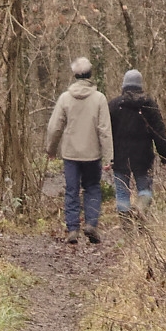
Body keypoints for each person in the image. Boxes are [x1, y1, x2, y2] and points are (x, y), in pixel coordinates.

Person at [44, 57, 112, 244]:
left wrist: (51, 149)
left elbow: (54, 127)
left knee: (72, 190)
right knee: (92, 188)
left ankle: (73, 229)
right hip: (92, 153)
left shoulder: (65, 98)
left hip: (71, 153)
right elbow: (105, 130)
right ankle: (91, 224)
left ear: (74, 75)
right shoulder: (99, 99)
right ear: (90, 74)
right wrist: (109, 157)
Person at [108, 69, 166, 216]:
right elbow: (159, 132)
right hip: (143, 157)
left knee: (122, 192)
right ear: (140, 85)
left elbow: (106, 133)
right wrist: (164, 155)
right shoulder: (149, 105)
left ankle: (127, 226)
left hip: (120, 157)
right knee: (145, 190)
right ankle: (140, 210)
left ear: (124, 85)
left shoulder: (114, 106)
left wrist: (107, 156)